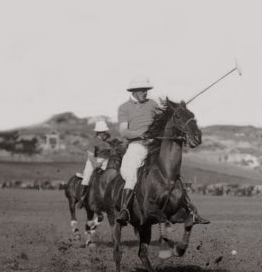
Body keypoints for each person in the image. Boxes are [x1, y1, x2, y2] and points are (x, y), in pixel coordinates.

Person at [115, 75, 209, 226]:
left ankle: (191, 211)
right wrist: (140, 134)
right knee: (131, 176)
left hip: (155, 145)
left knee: (172, 175)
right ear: (134, 91)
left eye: (146, 90)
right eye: (142, 90)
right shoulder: (124, 108)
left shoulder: (152, 104)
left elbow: (168, 115)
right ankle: (125, 209)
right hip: (137, 146)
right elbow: (124, 132)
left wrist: (178, 109)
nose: (145, 92)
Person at [80, 120, 113, 201]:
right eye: (101, 132)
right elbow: (90, 155)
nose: (103, 133)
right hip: (94, 159)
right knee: (87, 176)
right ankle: (83, 197)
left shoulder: (109, 138)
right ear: (97, 132)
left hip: (107, 160)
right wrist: (95, 163)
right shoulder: (93, 141)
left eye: (104, 131)